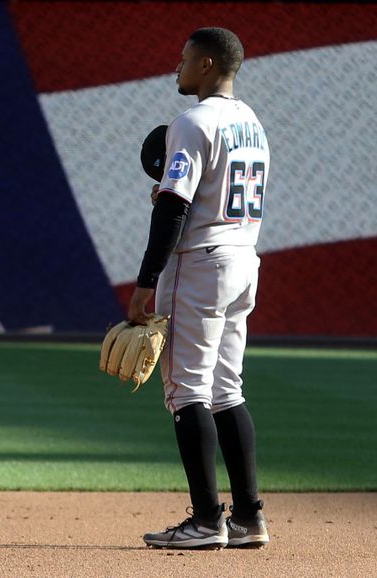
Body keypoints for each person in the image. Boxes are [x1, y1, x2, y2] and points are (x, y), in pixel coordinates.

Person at [127, 27, 270, 549]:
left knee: (187, 391)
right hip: (242, 259)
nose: (178, 66)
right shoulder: (252, 122)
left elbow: (174, 208)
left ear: (208, 64)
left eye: (186, 58)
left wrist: (145, 283)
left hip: (201, 264)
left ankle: (207, 521)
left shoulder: (192, 122)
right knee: (227, 391)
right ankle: (249, 518)